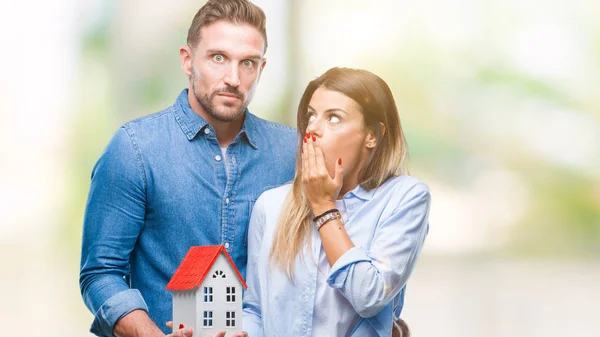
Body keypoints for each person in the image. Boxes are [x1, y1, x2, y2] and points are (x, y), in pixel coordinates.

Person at [79, 1, 296, 337]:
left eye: (248, 63)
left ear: (261, 68)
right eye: (218, 57)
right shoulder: (135, 149)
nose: (233, 78)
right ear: (187, 60)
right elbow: (101, 273)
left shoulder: (290, 152)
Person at [242, 67, 431, 337]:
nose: (314, 128)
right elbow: (255, 310)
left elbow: (369, 297)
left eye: (334, 118)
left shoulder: (404, 198)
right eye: (311, 116)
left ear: (372, 136)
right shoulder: (270, 205)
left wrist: (323, 206)